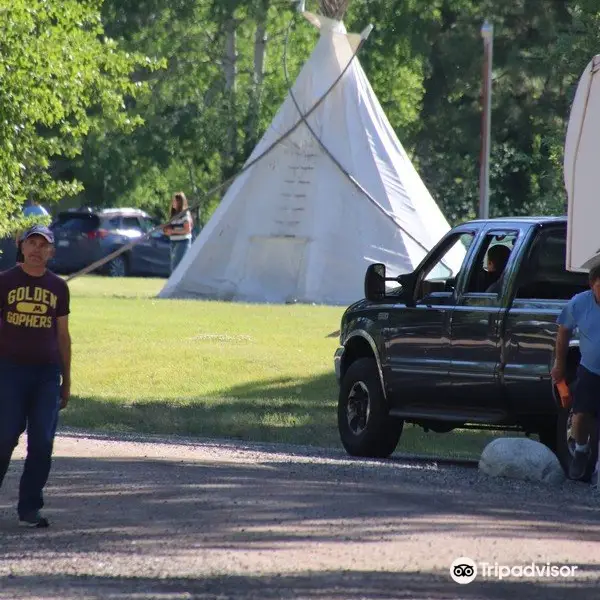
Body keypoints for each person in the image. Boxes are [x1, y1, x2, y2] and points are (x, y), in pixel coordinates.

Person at [0, 225, 71, 527]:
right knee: (4, 437)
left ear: (51, 252)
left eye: (44, 245)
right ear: (22, 246)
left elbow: (63, 336)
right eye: (32, 243)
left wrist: (66, 381)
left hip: (45, 374)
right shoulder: (4, 282)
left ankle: (29, 507)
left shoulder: (58, 288)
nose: (37, 250)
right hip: (9, 370)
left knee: (42, 440)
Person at [551, 264, 600, 481]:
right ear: (592, 285)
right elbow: (563, 331)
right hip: (590, 369)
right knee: (580, 415)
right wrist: (559, 364)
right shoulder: (580, 303)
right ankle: (580, 450)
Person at [163, 192, 193, 273]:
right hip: (173, 242)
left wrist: (172, 231)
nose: (173, 203)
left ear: (180, 202)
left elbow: (187, 230)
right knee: (174, 265)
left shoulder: (185, 214)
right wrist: (167, 231)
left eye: (175, 201)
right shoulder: (173, 215)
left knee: (176, 265)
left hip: (183, 242)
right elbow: (171, 228)